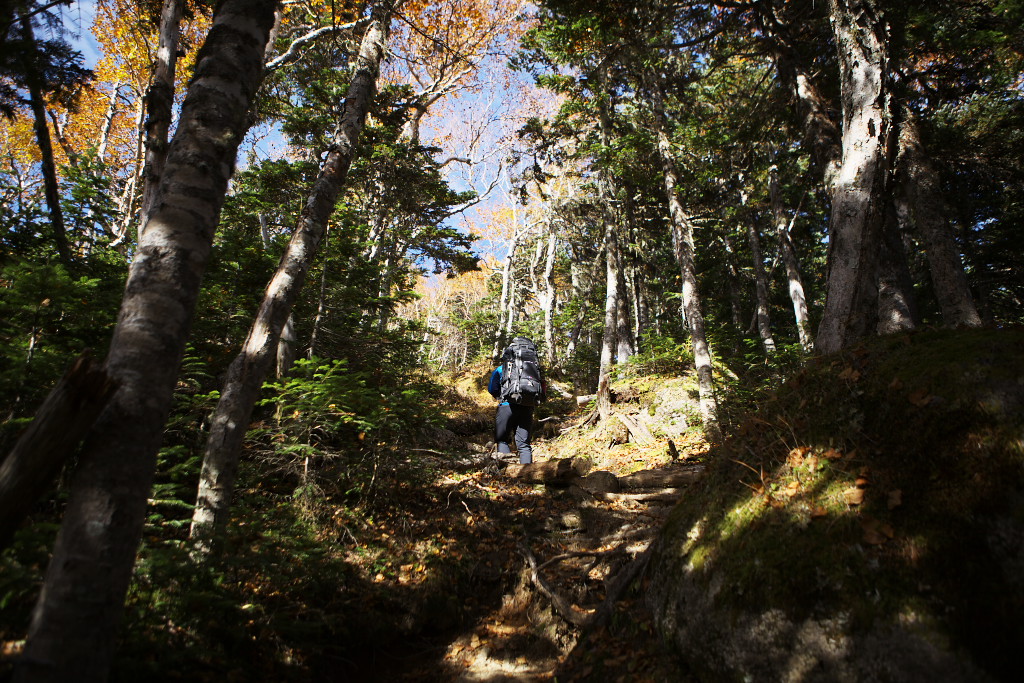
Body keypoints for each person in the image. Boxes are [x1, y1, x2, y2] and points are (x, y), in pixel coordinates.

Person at [487, 337, 546, 465]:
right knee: (524, 444)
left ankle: (506, 473)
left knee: (502, 440)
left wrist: (500, 395)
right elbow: (543, 389)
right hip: (527, 406)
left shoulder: (503, 368)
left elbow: (492, 388)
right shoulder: (535, 368)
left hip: (506, 405)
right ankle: (528, 476)